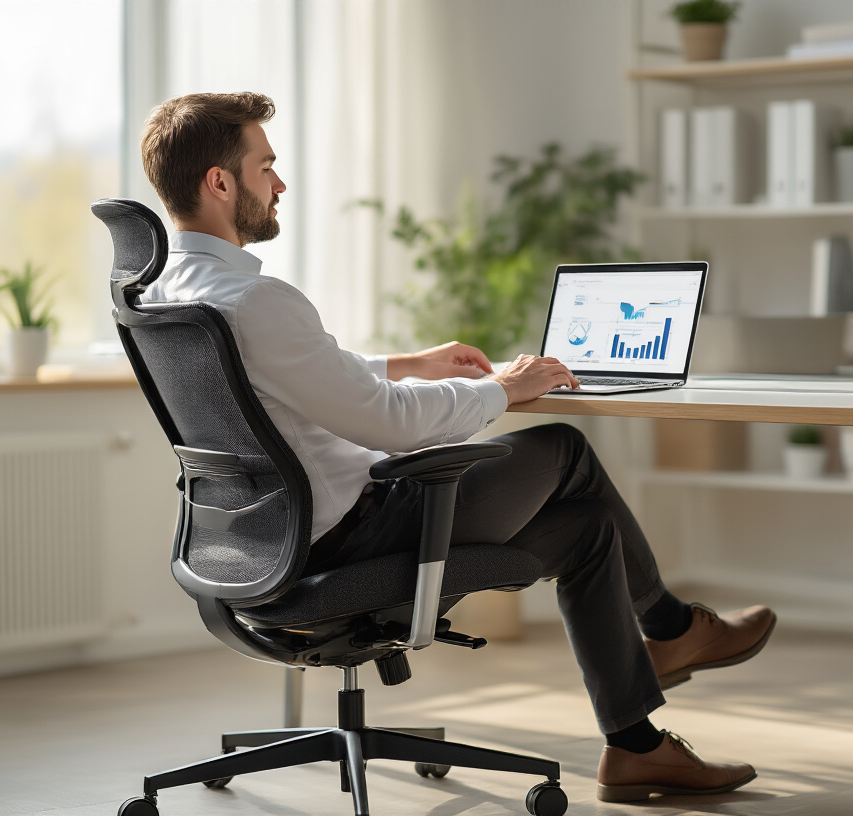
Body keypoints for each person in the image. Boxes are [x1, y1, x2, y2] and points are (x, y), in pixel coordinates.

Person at [138, 91, 777, 803]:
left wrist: (409, 364)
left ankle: (637, 748)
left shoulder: (167, 293)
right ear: (219, 183)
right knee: (564, 446)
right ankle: (670, 627)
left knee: (588, 530)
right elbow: (390, 425)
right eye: (266, 167)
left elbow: (293, 380)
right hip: (351, 538)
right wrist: (509, 387)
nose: (279, 184)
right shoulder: (258, 301)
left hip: (260, 543)